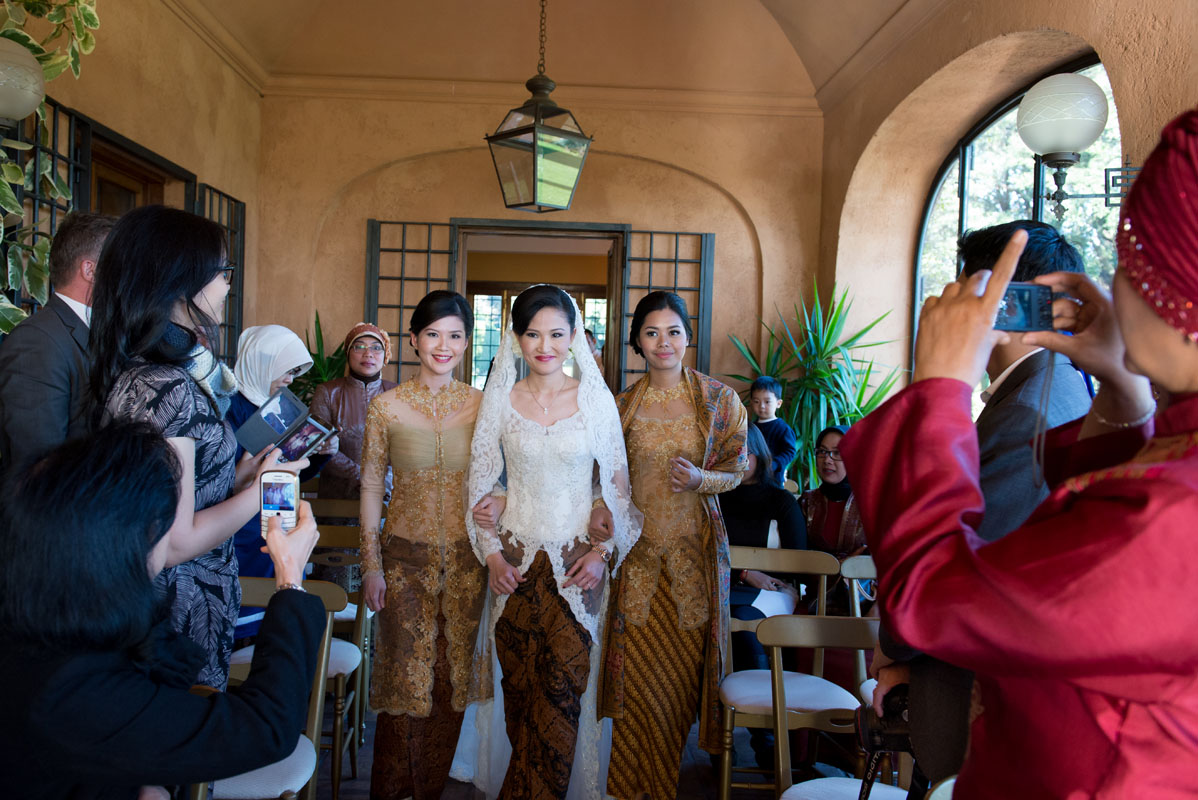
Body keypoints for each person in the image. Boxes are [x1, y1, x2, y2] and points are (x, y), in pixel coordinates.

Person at [842, 109, 1198, 798]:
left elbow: (936, 593)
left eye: (1135, 266)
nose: (1117, 287)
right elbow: (1094, 527)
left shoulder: (1175, 520)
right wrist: (1123, 390)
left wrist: (940, 384)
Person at [871, 220, 1095, 791]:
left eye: (964, 291)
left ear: (1007, 304)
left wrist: (895, 648)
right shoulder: (1044, 390)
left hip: (983, 702)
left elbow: (953, 569)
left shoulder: (1032, 413)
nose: (951, 306)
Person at [0, 421, 324, 800]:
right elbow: (266, 728)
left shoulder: (49, 623)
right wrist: (289, 579)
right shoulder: (72, 694)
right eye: (163, 524)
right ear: (120, 547)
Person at [90, 205, 300, 689]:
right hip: (180, 609)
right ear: (181, 279)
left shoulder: (142, 373)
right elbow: (174, 542)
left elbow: (178, 492)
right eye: (222, 272)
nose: (228, 284)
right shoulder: (170, 387)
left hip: (176, 603)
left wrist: (238, 478)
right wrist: (266, 487)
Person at [465, 284, 642, 800]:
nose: (545, 345)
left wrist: (601, 554)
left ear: (574, 338)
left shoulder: (595, 402)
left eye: (557, 334)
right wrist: (492, 553)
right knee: (519, 693)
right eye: (533, 334)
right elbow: (481, 487)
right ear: (516, 338)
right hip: (514, 569)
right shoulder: (500, 401)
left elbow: (616, 491)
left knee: (563, 692)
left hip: (575, 569)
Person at [601, 290, 748, 800]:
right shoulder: (620, 406)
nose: (663, 342)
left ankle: (660, 790)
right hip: (636, 566)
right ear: (637, 342)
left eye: (673, 332)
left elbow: (738, 470)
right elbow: (603, 482)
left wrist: (702, 479)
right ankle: (624, 791)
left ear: (688, 337)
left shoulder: (719, 401)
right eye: (651, 333)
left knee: (674, 694)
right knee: (635, 690)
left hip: (693, 568)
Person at [358, 291, 488, 800]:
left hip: (466, 562)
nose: (444, 345)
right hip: (402, 560)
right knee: (402, 684)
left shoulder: (481, 406)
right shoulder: (385, 406)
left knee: (450, 682)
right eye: (433, 334)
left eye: (455, 335)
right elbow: (371, 486)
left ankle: (430, 788)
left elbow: (496, 481)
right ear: (413, 340)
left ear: (465, 343)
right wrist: (372, 566)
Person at [226, 324, 329, 639]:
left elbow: (285, 472)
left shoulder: (278, 406)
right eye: (286, 370)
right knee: (241, 617)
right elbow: (224, 479)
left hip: (274, 517)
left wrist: (319, 454)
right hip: (236, 527)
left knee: (272, 611)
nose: (291, 379)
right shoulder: (228, 408)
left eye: (295, 372)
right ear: (261, 361)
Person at [0, 211, 114, 472]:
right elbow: (39, 467)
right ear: (90, 270)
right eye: (120, 264)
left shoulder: (103, 332)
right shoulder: (36, 342)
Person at [721, 422, 806, 768]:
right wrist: (744, 572)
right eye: (732, 453)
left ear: (760, 454)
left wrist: (760, 575)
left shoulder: (781, 500)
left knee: (746, 625)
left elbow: (798, 563)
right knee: (715, 616)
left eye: (746, 453)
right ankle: (718, 730)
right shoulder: (717, 497)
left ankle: (766, 738)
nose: (740, 460)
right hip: (729, 586)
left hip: (775, 589)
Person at [309, 321, 398, 500]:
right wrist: (364, 477)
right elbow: (320, 446)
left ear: (385, 355)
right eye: (359, 347)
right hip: (337, 498)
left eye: (376, 348)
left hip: (386, 497)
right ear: (348, 353)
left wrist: (384, 481)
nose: (368, 354)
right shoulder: (327, 392)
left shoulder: (398, 394)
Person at [801, 425, 866, 561]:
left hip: (861, 581)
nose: (827, 460)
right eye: (822, 451)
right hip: (813, 580)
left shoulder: (871, 504)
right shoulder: (806, 501)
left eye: (837, 453)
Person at [749, 375, 797, 481]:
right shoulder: (751, 428)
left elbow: (789, 451)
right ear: (751, 402)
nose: (761, 406)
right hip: (752, 478)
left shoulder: (783, 429)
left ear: (778, 403)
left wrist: (775, 464)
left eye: (767, 402)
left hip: (773, 478)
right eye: (756, 401)